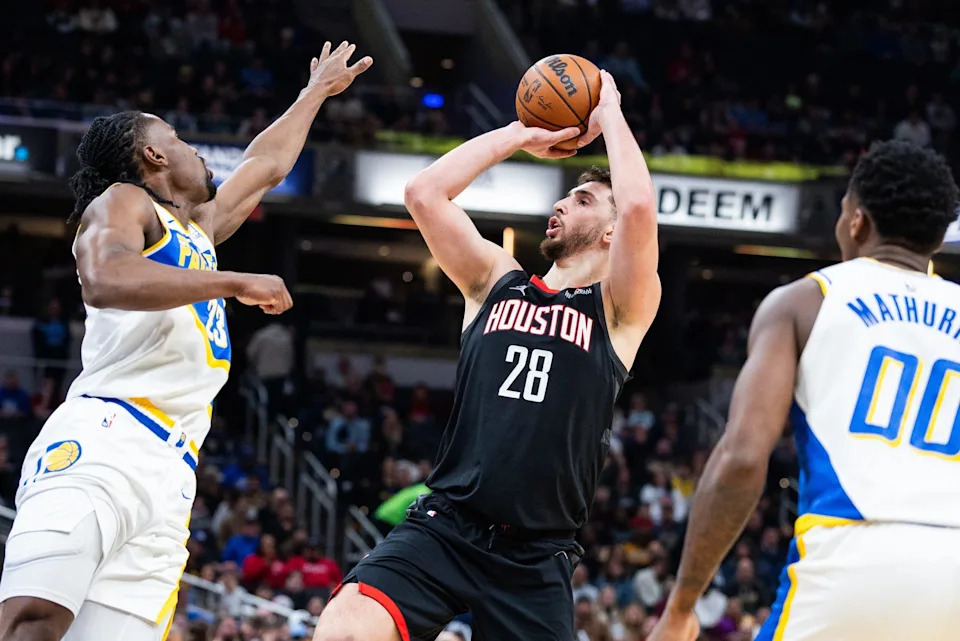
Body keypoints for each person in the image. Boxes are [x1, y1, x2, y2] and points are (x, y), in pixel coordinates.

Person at [0, 41, 372, 641]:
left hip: (172, 471)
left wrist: (314, 94)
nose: (194, 149)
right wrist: (232, 280)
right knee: (35, 623)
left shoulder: (196, 227)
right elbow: (103, 277)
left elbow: (266, 165)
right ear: (151, 153)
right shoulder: (121, 202)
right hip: (104, 438)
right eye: (177, 137)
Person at [317, 71, 661, 640]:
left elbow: (640, 207)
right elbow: (424, 193)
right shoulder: (495, 282)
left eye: (581, 200)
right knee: (346, 629)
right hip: (446, 525)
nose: (559, 203)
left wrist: (612, 114)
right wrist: (520, 134)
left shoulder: (619, 309)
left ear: (608, 232)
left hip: (534, 557)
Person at [650, 140, 960, 641]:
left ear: (856, 221)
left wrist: (683, 603)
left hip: (852, 556)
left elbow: (743, 457)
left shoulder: (805, 301)